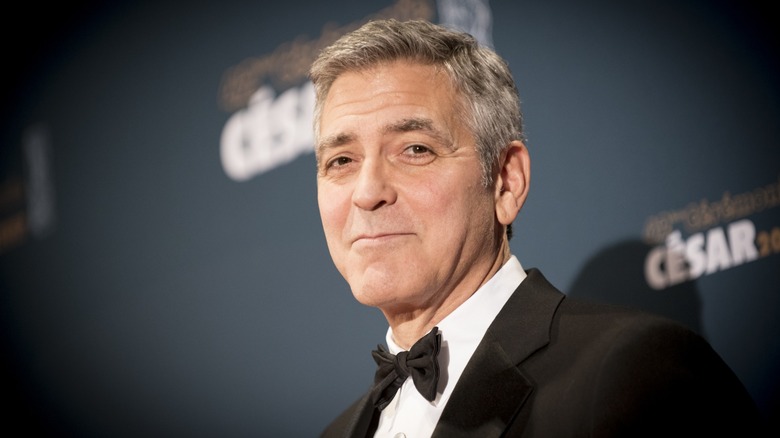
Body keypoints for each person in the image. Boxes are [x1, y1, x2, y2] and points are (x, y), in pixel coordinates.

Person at [309, 19, 763, 437]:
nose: (367, 192)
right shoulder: (339, 431)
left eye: (415, 150)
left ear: (506, 182)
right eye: (341, 160)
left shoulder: (634, 371)